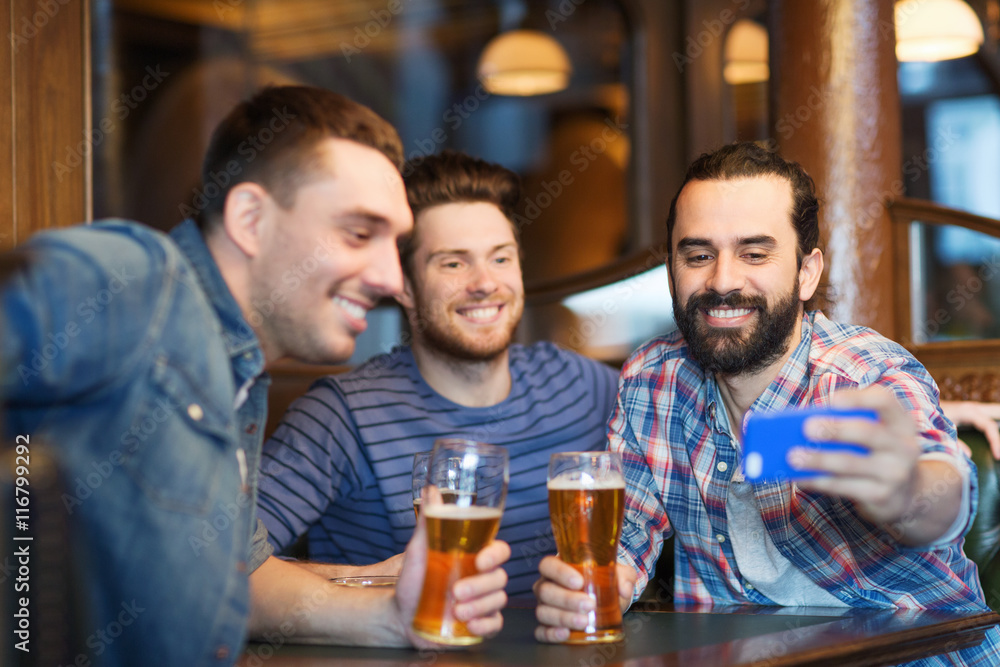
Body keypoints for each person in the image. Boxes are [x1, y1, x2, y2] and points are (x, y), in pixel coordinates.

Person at [0, 86, 509, 667]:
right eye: (358, 234)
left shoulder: (240, 375)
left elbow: (247, 577)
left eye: (395, 244)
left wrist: (395, 618)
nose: (392, 278)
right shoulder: (139, 281)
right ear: (250, 219)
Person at [533, 141, 999, 663]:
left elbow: (940, 491)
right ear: (672, 270)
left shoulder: (863, 372)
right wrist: (599, 586)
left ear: (806, 273)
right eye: (698, 255)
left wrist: (906, 489)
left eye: (755, 253)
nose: (723, 280)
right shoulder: (652, 380)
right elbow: (626, 536)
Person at [255, 150, 619, 599]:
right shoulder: (340, 415)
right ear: (404, 284)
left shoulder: (585, 388)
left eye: (501, 259)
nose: (485, 282)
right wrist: (371, 581)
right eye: (453, 262)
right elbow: (222, 564)